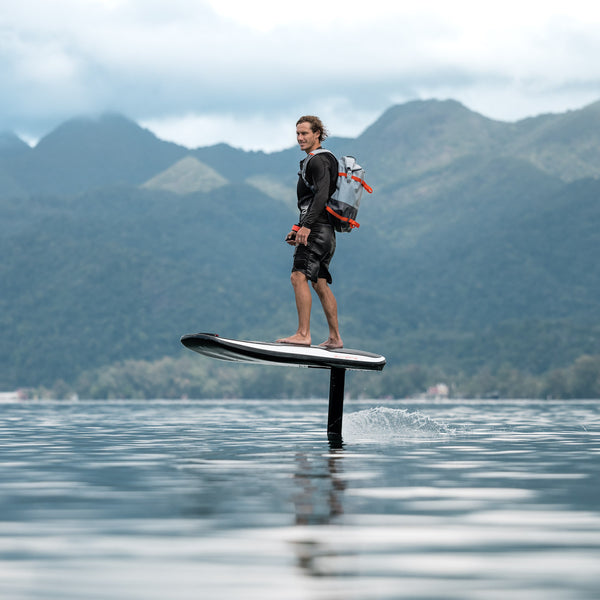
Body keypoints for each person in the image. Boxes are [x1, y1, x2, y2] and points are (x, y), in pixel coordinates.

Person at [277, 116, 343, 349]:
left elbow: (322, 194)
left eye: (304, 133)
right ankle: (335, 338)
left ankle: (303, 334)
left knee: (298, 276)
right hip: (325, 232)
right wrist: (298, 228)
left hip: (316, 230)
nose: (300, 138)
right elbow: (311, 201)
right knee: (320, 283)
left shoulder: (317, 161)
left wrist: (306, 227)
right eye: (297, 133)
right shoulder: (323, 160)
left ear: (317, 134)